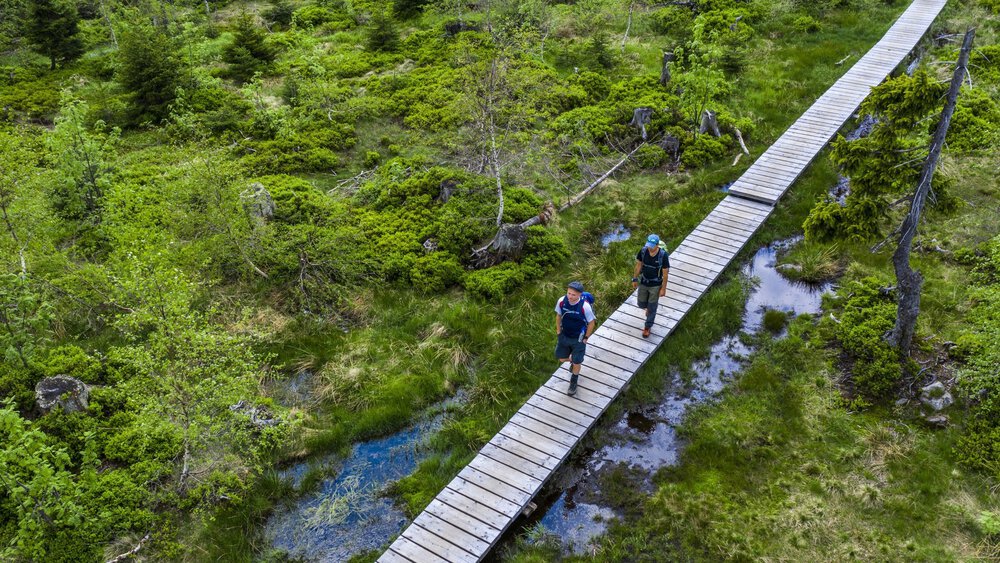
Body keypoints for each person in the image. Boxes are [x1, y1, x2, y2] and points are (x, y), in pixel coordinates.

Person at [554, 281, 596, 396]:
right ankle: (573, 361)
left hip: (579, 339)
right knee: (561, 358)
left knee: (577, 362)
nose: (570, 297)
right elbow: (558, 316)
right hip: (564, 335)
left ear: (580, 295)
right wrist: (558, 331)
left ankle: (574, 381)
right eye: (569, 293)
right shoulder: (562, 301)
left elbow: (591, 323)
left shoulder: (585, 306)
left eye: (573, 295)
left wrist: (586, 337)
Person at [632, 234, 669, 338]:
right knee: (641, 303)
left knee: (652, 307)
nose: (650, 248)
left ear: (657, 245)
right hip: (644, 282)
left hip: (656, 285)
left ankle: (647, 327)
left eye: (652, 246)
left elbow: (665, 274)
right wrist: (634, 278)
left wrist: (663, 289)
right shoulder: (643, 251)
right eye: (649, 245)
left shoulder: (663, 255)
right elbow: (639, 265)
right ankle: (647, 307)